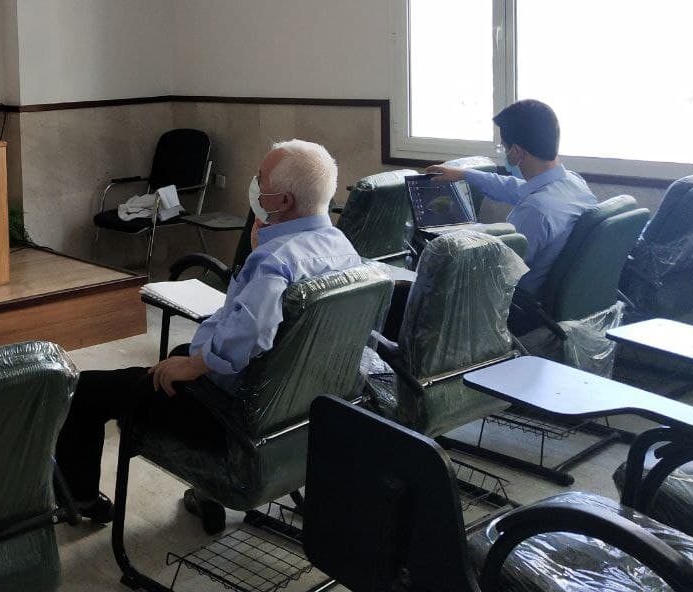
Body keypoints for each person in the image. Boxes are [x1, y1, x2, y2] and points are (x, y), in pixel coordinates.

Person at [55, 139, 363, 532]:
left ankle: (81, 499)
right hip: (296, 407)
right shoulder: (343, 248)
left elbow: (250, 333)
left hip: (229, 414)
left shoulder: (274, 262)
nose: (255, 184)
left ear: (282, 201)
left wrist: (196, 365)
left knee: (85, 389)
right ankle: (206, 493)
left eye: (261, 178)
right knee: (181, 351)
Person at [428, 99, 597, 322]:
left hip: (515, 310)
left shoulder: (536, 210)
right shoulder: (573, 184)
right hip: (560, 307)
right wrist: (465, 175)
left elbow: (492, 272)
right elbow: (514, 188)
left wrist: (454, 242)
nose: (504, 153)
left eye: (503, 148)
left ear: (517, 151)